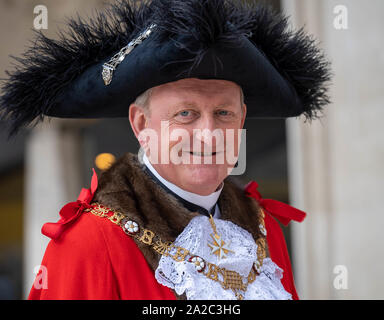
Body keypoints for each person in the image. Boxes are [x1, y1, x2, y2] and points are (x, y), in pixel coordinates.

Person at [0, 0, 331, 300]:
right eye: (185, 114)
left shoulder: (262, 227)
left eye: (223, 113)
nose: (208, 135)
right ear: (142, 124)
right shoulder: (90, 242)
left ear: (241, 119)